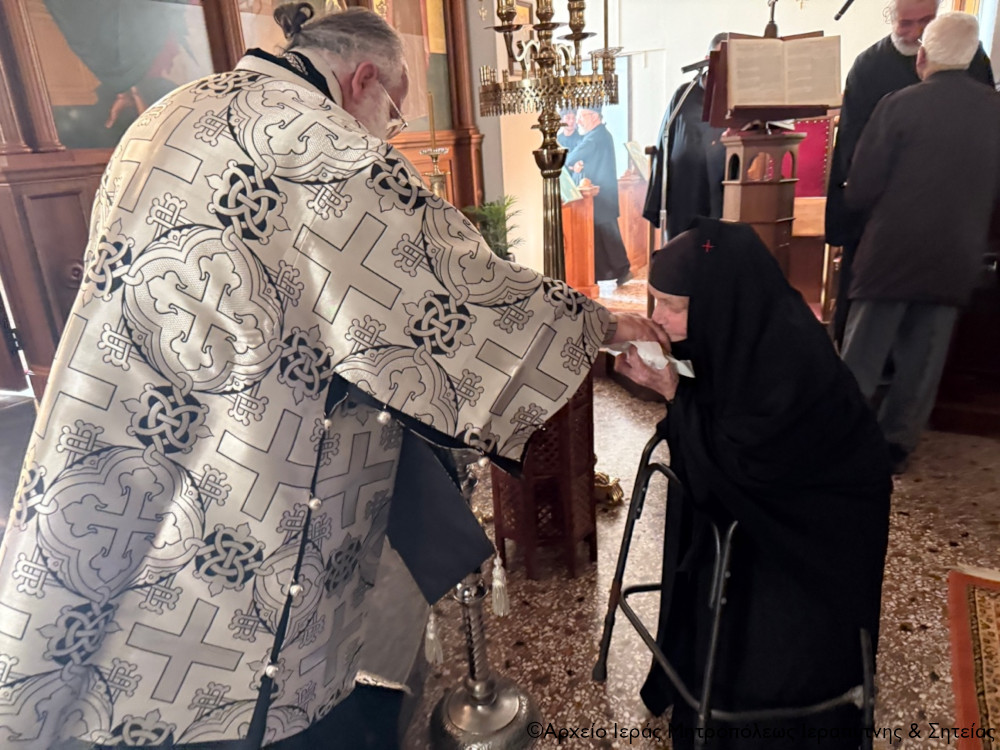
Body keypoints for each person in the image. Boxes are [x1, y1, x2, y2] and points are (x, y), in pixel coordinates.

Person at [0, 4, 667, 748]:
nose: (388, 133)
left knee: (110, 590)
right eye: (394, 113)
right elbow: (448, 285)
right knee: (243, 645)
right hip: (248, 454)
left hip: (124, 409)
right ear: (364, 79)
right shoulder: (320, 143)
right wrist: (599, 324)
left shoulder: (169, 115)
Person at [614, 218, 892, 749]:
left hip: (812, 530)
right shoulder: (733, 327)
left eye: (673, 305)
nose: (659, 318)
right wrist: (675, 389)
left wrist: (675, 394)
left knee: (773, 656)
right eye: (655, 301)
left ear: (721, 300)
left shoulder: (789, 359)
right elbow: (718, 429)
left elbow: (747, 468)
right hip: (758, 507)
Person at [840, 12, 1000, 476]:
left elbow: (860, 188)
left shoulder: (898, 105)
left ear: (922, 57)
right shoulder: (994, 111)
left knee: (862, 357)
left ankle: (840, 438)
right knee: (922, 362)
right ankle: (896, 446)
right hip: (956, 255)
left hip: (891, 254)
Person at [825, 0, 995, 345]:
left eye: (926, 22)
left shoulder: (971, 62)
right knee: (888, 343)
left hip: (941, 225)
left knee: (895, 346)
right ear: (892, 19)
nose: (916, 33)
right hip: (887, 225)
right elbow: (853, 149)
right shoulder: (870, 66)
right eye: (906, 23)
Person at [643, 33, 728, 239]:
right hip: (684, 190)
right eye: (720, 57)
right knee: (682, 248)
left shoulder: (735, 97)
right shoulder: (685, 93)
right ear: (707, 59)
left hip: (720, 190)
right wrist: (656, 200)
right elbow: (665, 139)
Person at [567, 106, 633, 285]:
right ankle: (606, 274)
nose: (578, 121)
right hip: (602, 196)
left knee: (609, 239)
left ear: (594, 116)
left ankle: (621, 271)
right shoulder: (601, 134)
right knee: (604, 239)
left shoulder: (595, 137)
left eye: (582, 116)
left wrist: (572, 164)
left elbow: (571, 157)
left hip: (600, 197)